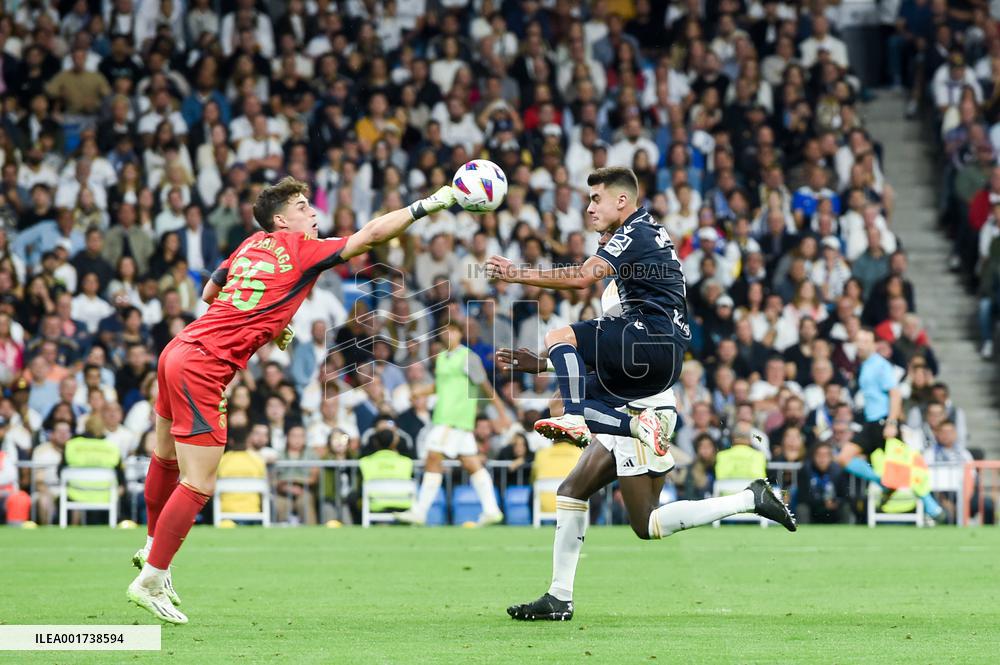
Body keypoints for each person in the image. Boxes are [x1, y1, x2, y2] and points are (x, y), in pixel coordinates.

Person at [127, 176, 457, 624]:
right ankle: (150, 578)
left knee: (164, 457)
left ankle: (152, 547)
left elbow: (210, 294)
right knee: (199, 483)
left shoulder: (250, 245)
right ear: (282, 220)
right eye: (303, 206)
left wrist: (270, 319)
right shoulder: (301, 249)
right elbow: (372, 234)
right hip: (204, 365)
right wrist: (434, 202)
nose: (313, 213)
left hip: (178, 350)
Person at [499, 232, 795, 623]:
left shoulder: (634, 289)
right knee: (571, 490)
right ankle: (559, 596)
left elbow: (615, 348)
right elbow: (609, 349)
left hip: (643, 406)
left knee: (647, 523)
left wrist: (519, 281)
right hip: (631, 400)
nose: (601, 236)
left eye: (607, 230)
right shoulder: (621, 288)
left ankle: (749, 499)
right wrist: (542, 363)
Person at [487, 167, 691, 457]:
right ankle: (640, 428)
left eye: (596, 199)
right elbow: (601, 356)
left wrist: (515, 273)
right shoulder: (648, 234)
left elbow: (582, 278)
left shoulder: (634, 231)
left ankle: (575, 419)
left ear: (621, 200)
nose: (589, 208)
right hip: (662, 361)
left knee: (559, 335)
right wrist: (543, 366)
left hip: (652, 341)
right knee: (560, 401)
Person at [395, 321, 511, 526]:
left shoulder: (468, 357)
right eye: (444, 331)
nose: (448, 335)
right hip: (447, 417)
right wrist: (421, 392)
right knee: (471, 463)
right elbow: (440, 386)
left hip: (453, 419)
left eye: (452, 331)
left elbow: (485, 384)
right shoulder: (440, 358)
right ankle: (492, 510)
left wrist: (502, 413)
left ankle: (420, 511)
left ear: (459, 334)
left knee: (432, 456)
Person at [836, 329, 945, 522]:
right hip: (871, 424)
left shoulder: (880, 365)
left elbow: (894, 394)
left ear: (873, 344)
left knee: (904, 466)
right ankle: (884, 483)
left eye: (865, 341)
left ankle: (933, 507)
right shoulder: (865, 365)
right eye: (858, 341)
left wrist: (892, 422)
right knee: (844, 458)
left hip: (884, 422)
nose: (860, 345)